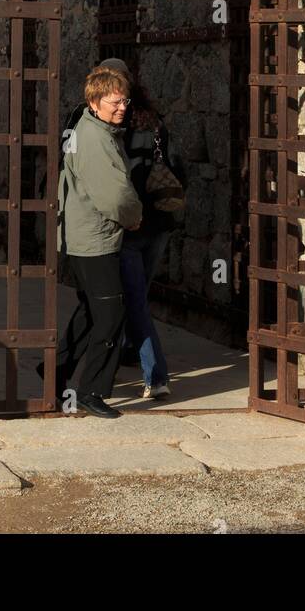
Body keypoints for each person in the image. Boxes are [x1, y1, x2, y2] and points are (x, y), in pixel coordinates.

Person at [50, 65, 142, 418]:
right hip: (95, 239)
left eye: (125, 101)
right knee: (110, 315)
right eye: (115, 101)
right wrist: (135, 217)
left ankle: (54, 372)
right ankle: (91, 390)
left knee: (91, 311)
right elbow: (115, 195)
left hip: (84, 235)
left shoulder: (89, 128)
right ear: (95, 100)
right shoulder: (96, 139)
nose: (122, 107)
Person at [119, 80, 185, 399]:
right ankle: (128, 346)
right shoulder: (155, 120)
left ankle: (156, 374)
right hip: (160, 222)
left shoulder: (113, 129)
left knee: (133, 299)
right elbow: (179, 168)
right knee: (137, 293)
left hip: (131, 225)